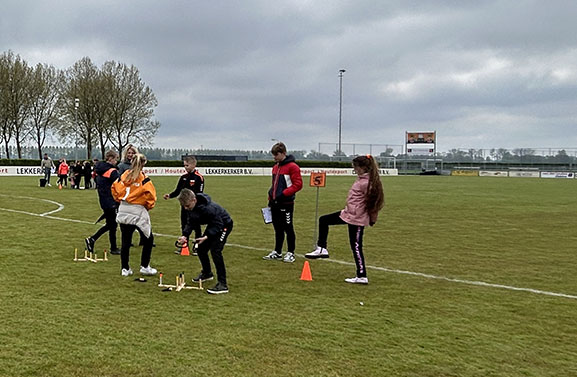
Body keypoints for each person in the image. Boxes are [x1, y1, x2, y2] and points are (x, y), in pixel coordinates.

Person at [305, 155, 385, 284]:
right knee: (324, 220)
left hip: (357, 218)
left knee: (356, 246)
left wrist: (372, 219)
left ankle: (362, 275)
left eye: (356, 167)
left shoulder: (368, 183)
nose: (354, 170)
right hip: (348, 214)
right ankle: (321, 249)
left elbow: (374, 204)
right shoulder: (361, 180)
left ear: (363, 168)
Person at [177, 189, 233, 294]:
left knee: (216, 251)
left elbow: (218, 224)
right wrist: (185, 235)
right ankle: (207, 273)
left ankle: (222, 284)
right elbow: (191, 222)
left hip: (224, 225)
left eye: (187, 206)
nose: (186, 208)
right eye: (184, 206)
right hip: (213, 225)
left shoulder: (209, 208)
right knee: (201, 248)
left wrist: (206, 236)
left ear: (194, 200)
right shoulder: (191, 208)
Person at [111, 153, 157, 277]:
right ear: (143, 164)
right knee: (148, 239)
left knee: (126, 241)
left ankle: (125, 268)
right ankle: (145, 266)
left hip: (124, 208)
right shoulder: (144, 178)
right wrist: (147, 206)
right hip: (137, 210)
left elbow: (114, 187)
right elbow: (151, 196)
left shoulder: (125, 175)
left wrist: (119, 199)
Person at [262, 142, 303, 263]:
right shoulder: (275, 167)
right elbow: (274, 185)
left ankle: (291, 253)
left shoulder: (293, 167)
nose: (274, 157)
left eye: (276, 154)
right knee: (277, 228)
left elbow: (298, 185)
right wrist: (271, 197)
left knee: (288, 228)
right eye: (273, 155)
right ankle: (278, 251)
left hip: (286, 203)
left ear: (283, 153)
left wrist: (284, 194)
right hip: (275, 202)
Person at [163, 155, 205, 255]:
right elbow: (178, 190)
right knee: (184, 225)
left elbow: (200, 193)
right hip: (184, 206)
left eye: (187, 165)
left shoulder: (199, 178)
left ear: (194, 165)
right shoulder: (183, 177)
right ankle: (184, 245)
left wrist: (196, 204)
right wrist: (170, 195)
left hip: (194, 207)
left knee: (196, 227)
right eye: (184, 165)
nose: (185, 167)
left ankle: (197, 247)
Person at [85, 150, 121, 256]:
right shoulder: (112, 171)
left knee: (111, 224)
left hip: (103, 199)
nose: (116, 162)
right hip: (111, 200)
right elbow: (119, 185)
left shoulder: (100, 169)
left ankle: (112, 246)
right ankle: (93, 239)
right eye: (115, 159)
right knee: (112, 225)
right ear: (110, 158)